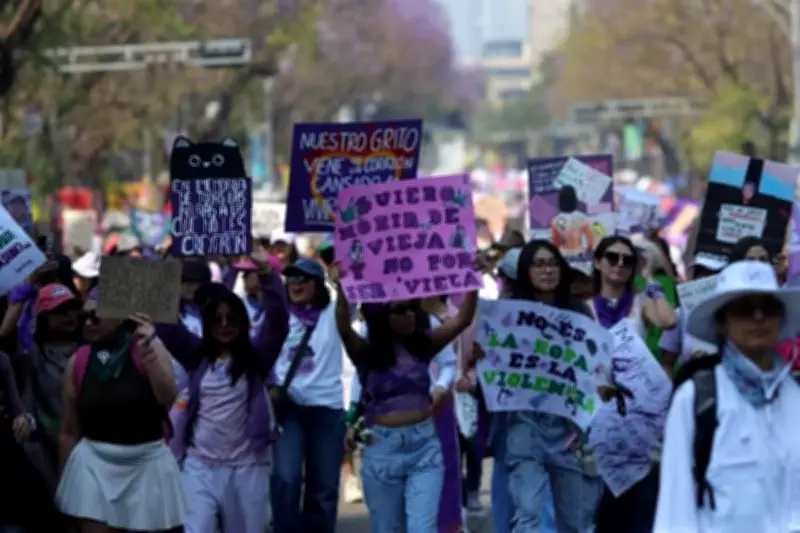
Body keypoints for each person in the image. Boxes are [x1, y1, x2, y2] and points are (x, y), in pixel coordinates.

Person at [655, 260, 800, 532]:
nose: (758, 317)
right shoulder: (696, 398)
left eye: (768, 308)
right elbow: (674, 511)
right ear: (722, 322)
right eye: (745, 309)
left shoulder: (794, 397)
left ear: (781, 320)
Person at [333, 263, 477, 532]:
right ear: (381, 317)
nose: (409, 314)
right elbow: (342, 324)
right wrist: (341, 287)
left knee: (423, 528)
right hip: (382, 449)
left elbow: (463, 320)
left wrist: (471, 278)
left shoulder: (424, 344)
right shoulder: (365, 353)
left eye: (412, 308)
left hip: (425, 448)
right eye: (399, 310)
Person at [171, 271, 288, 533]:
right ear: (207, 323)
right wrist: (167, 272)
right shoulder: (197, 355)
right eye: (217, 319)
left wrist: (268, 275)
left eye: (232, 318)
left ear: (243, 322)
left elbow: (278, 322)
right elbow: (166, 328)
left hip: (247, 468)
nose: (224, 324)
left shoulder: (258, 358)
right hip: (200, 465)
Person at [56, 301, 185, 532]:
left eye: (95, 317)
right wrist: (69, 483)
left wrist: (148, 351)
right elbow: (68, 429)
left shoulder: (149, 347)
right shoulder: (79, 360)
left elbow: (167, 397)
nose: (87, 322)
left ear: (118, 316)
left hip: (146, 463)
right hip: (93, 463)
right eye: (83, 317)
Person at [501, 240, 603, 533]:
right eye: (538, 264)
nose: (547, 270)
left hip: (569, 428)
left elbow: (594, 364)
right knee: (528, 512)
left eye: (553, 263)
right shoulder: (506, 314)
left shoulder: (579, 312)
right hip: (524, 423)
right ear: (525, 271)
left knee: (577, 521)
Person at [591, 236, 676, 533]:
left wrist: (650, 278)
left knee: (639, 506)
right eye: (612, 257)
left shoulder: (640, 304)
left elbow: (667, 321)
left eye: (628, 260)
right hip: (597, 419)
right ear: (598, 263)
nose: (619, 264)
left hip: (635, 421)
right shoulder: (584, 308)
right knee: (601, 513)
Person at [269, 258, 347, 533]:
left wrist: (343, 282)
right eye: (291, 279)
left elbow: (351, 303)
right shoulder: (280, 315)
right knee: (286, 478)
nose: (296, 284)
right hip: (288, 410)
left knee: (324, 489)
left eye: (303, 279)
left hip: (327, 410)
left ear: (318, 285)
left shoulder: (333, 314)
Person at [22, 283, 84, 489]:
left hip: (88, 452)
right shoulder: (30, 361)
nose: (69, 316)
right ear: (42, 319)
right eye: (59, 311)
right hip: (45, 455)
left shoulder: (92, 354)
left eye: (73, 309)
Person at [659, 256, 726, 371]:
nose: (703, 280)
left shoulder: (732, 317)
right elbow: (667, 363)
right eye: (700, 274)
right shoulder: (680, 314)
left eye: (711, 275)